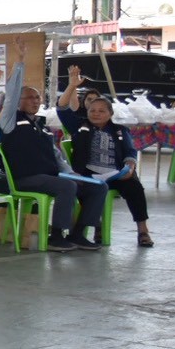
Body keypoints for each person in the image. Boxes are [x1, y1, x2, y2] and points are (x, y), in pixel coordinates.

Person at [0, 40, 107, 251]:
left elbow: (56, 155)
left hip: (51, 176)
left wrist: (72, 173)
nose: (35, 101)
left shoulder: (42, 125)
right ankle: (56, 236)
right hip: (25, 178)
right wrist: (20, 61)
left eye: (37, 97)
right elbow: (11, 93)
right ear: (18, 102)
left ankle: (77, 234)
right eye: (29, 97)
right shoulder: (9, 121)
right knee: (67, 186)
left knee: (97, 187)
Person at [58, 65, 152, 247]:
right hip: (89, 175)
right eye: (92, 110)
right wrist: (72, 86)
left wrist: (129, 167)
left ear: (110, 113)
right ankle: (97, 227)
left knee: (134, 187)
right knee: (87, 188)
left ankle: (143, 230)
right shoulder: (80, 127)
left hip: (116, 175)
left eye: (101, 111)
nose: (96, 114)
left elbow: (130, 151)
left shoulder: (120, 130)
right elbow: (62, 108)